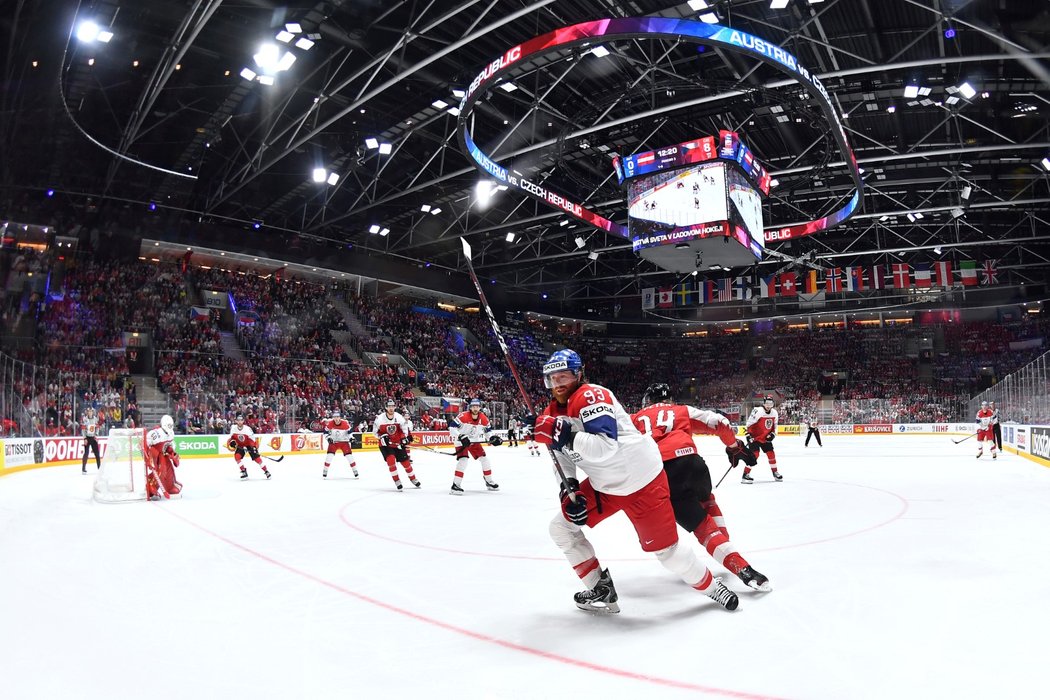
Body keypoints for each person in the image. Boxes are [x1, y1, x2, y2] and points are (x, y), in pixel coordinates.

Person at [533, 349, 740, 614]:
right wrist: (569, 486)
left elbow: (605, 447)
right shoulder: (552, 413)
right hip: (605, 484)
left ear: (579, 374)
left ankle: (715, 589)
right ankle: (601, 588)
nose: (558, 384)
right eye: (552, 379)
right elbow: (561, 455)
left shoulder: (591, 394)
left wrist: (561, 435)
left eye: (564, 376)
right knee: (561, 528)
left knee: (668, 552)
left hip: (642, 480)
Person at [631, 383, 771, 592]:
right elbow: (720, 422)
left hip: (663, 474)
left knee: (703, 527)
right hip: (693, 464)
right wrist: (734, 446)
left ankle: (732, 557)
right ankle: (731, 553)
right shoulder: (681, 410)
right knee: (707, 500)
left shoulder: (633, 419)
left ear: (647, 400)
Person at [448, 399, 500, 495]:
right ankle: (455, 485)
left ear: (480, 407)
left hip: (474, 441)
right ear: (470, 407)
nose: (475, 408)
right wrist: (460, 436)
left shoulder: (483, 418)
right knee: (463, 461)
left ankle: (489, 481)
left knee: (485, 460)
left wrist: (492, 438)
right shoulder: (463, 416)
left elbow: (487, 431)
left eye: (477, 406)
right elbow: (451, 427)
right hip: (461, 441)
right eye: (473, 406)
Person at [373, 399, 420, 491]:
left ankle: (413, 478)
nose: (391, 408)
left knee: (406, 463)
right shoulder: (379, 419)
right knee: (391, 460)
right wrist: (382, 437)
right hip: (386, 445)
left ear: (395, 407)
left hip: (397, 443)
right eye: (389, 406)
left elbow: (405, 430)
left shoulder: (399, 417)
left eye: (392, 406)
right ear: (386, 407)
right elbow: (375, 433)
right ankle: (397, 480)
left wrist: (404, 438)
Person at [743, 396, 782, 483]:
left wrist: (772, 434)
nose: (768, 405)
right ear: (763, 403)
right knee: (755, 455)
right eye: (767, 403)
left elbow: (775, 426)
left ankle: (775, 472)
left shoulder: (774, 413)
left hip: (765, 438)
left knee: (771, 454)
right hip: (754, 437)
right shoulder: (758, 411)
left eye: (770, 403)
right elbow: (749, 423)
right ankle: (745, 474)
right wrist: (748, 435)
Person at [145, 415, 181, 500]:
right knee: (162, 470)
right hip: (155, 454)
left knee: (169, 469)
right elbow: (145, 445)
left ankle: (170, 487)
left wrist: (172, 452)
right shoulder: (155, 433)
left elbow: (167, 446)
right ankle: (151, 487)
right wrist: (148, 456)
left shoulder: (171, 433)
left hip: (163, 454)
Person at [229, 413, 272, 479]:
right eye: (238, 420)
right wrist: (232, 442)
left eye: (241, 420)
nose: (240, 421)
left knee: (257, 459)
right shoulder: (233, 428)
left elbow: (252, 439)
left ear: (243, 421)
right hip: (240, 445)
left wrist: (253, 447)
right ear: (236, 421)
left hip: (249, 445)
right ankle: (243, 471)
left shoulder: (247, 429)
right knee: (237, 457)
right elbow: (231, 438)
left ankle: (266, 471)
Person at [321, 408, 358, 479]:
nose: (336, 419)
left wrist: (351, 438)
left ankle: (355, 470)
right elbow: (325, 432)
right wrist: (328, 438)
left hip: (344, 442)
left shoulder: (345, 423)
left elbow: (349, 433)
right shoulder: (330, 423)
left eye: (337, 417)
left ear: (340, 417)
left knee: (349, 457)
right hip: (334, 442)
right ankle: (325, 471)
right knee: (329, 457)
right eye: (335, 417)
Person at [80, 407, 102, 474]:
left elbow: (97, 427)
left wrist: (96, 434)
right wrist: (84, 438)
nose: (90, 412)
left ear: (92, 412)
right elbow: (83, 429)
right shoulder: (85, 419)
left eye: (91, 411)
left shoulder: (95, 419)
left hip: (93, 438)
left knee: (97, 454)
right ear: (87, 412)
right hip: (87, 437)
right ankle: (83, 469)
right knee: (86, 453)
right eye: (89, 411)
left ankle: (99, 468)